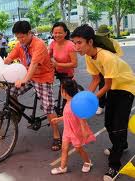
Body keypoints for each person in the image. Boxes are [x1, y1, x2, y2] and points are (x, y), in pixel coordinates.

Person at [71, 24, 135, 181]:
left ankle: (114, 165)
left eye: (79, 43)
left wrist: (90, 101)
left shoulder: (106, 57)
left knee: (118, 126)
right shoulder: (89, 56)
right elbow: (95, 80)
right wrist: (85, 97)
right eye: (74, 43)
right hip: (114, 86)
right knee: (108, 123)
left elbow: (105, 85)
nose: (76, 47)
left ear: (90, 42)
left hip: (126, 87)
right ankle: (122, 146)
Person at [4, 21, 61, 151]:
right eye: (18, 37)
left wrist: (24, 80)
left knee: (48, 107)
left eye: (22, 37)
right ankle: (18, 110)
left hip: (42, 77)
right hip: (28, 74)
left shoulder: (38, 45)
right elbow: (8, 59)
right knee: (11, 91)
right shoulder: (20, 45)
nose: (20, 40)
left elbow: (34, 66)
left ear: (30, 33)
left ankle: (57, 135)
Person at [50, 79, 96, 175]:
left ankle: (88, 162)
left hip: (76, 131)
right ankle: (63, 167)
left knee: (79, 149)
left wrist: (84, 131)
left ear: (65, 93)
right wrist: (59, 119)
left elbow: (81, 118)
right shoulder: (67, 102)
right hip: (67, 131)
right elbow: (68, 116)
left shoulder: (76, 104)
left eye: (61, 90)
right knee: (64, 149)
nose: (61, 92)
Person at [95, 24, 124, 115]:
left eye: (104, 36)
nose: (102, 38)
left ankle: (114, 105)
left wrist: (109, 60)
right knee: (102, 86)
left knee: (113, 87)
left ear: (108, 35)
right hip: (101, 70)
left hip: (113, 69)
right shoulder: (98, 44)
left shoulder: (114, 42)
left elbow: (119, 55)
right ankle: (101, 106)